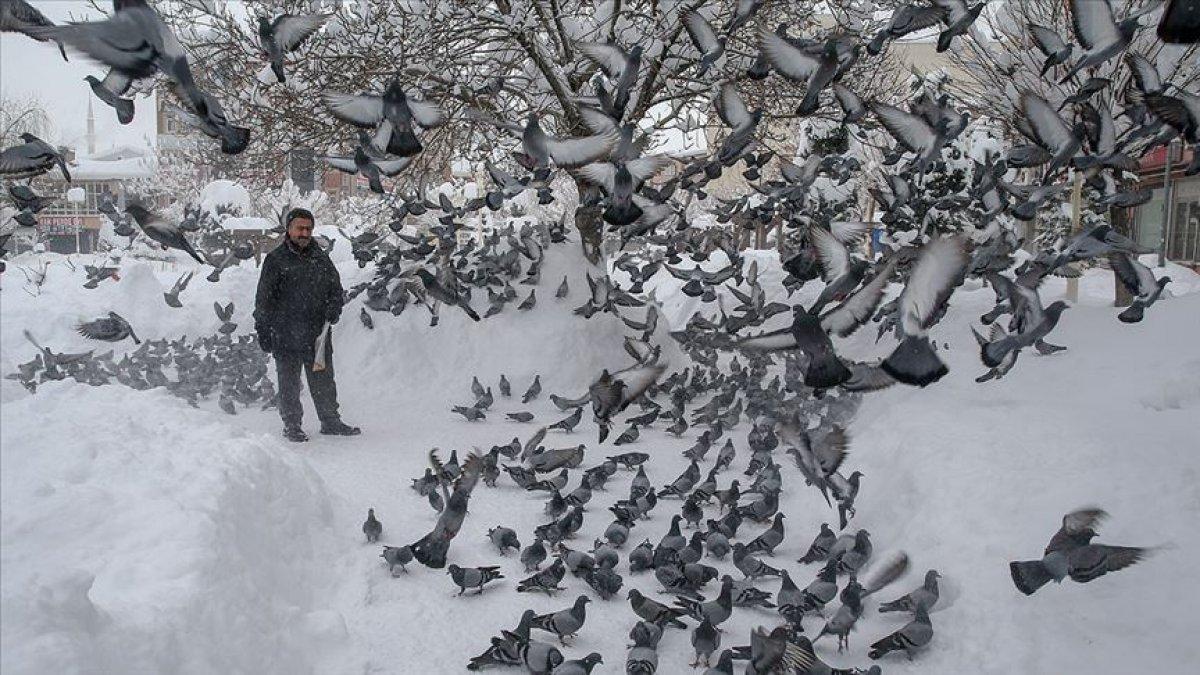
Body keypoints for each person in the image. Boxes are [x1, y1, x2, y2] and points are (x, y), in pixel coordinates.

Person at [254, 207, 360, 442]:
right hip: (285, 333)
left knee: (323, 380)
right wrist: (263, 328)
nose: (304, 233)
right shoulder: (276, 260)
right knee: (289, 383)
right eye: (299, 228)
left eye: (308, 229)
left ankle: (330, 421)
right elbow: (263, 299)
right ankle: (292, 425)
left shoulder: (320, 258)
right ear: (289, 229)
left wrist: (334, 308)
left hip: (316, 333)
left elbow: (335, 289)